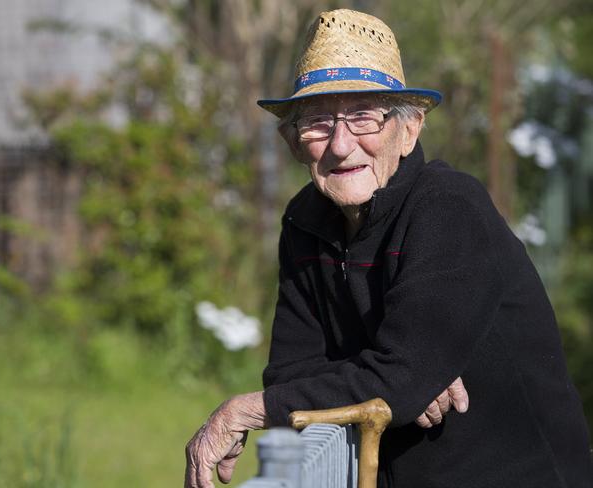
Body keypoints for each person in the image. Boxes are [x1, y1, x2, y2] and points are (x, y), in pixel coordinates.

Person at [184, 8, 593, 488]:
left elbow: (398, 376)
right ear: (293, 143)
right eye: (317, 123)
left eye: (363, 117)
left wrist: (247, 410)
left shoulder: (448, 207)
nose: (341, 145)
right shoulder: (305, 220)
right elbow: (293, 374)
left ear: (410, 129)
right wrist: (396, 379)